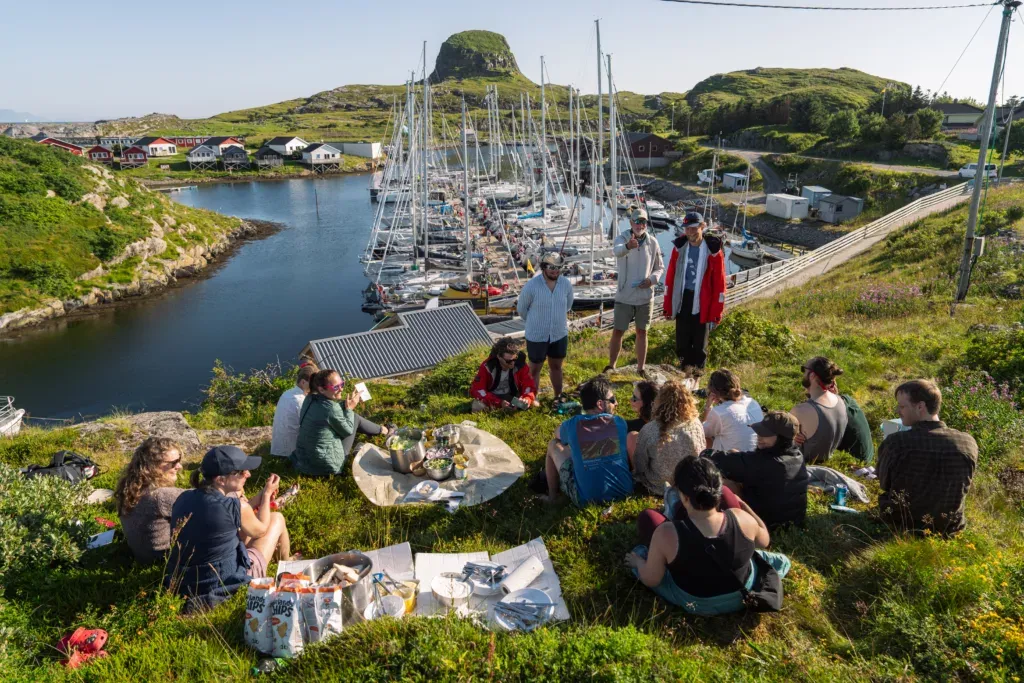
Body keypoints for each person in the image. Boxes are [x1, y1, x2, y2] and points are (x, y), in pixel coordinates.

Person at [625, 457, 791, 616]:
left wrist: (638, 562)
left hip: (699, 602)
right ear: (718, 490)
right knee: (766, 558)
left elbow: (652, 579)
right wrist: (743, 505)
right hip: (742, 593)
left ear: (684, 496)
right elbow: (764, 541)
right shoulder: (741, 518)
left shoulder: (666, 533)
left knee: (642, 550)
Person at [165, 446, 290, 610]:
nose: (248, 474)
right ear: (220, 480)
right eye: (241, 472)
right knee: (277, 519)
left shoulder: (183, 498)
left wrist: (256, 499)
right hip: (221, 582)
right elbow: (260, 530)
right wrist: (266, 496)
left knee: (242, 533)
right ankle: (288, 564)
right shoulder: (236, 506)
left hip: (185, 583)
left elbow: (229, 519)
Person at [877, 380, 978, 535]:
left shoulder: (897, 442)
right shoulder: (968, 442)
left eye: (902, 406)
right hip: (948, 527)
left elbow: (884, 483)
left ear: (920, 407)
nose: (898, 410)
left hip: (901, 522)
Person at [708, 411, 809, 530]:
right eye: (759, 431)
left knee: (724, 484)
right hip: (794, 520)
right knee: (734, 453)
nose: (759, 436)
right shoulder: (797, 454)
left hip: (767, 525)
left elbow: (717, 460)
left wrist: (703, 451)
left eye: (765, 433)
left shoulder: (763, 463)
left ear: (782, 438)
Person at [543, 376, 633, 506]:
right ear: (600, 404)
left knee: (553, 445)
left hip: (586, 500)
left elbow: (557, 434)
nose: (616, 403)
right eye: (613, 400)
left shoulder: (572, 425)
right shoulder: (619, 422)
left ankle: (553, 497)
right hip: (624, 492)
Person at [290, 369, 390, 476]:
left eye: (342, 384)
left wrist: (347, 405)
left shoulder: (309, 399)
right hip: (326, 466)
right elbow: (348, 431)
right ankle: (385, 431)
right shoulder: (331, 408)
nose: (341, 389)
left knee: (351, 417)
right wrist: (349, 409)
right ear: (321, 389)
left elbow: (328, 410)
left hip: (304, 462)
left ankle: (382, 430)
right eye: (336, 387)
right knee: (355, 418)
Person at [662, 212, 726, 374]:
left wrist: (716, 312)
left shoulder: (713, 251)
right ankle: (684, 370)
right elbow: (670, 278)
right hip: (683, 299)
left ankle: (696, 377)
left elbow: (720, 284)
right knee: (682, 344)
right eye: (687, 228)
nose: (689, 232)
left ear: (702, 227)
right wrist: (668, 306)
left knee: (699, 345)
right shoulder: (680, 248)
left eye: (693, 228)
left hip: (703, 302)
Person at [607, 208, 664, 378]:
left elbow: (660, 267)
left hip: (645, 297)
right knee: (618, 331)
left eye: (643, 222)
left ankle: (641, 368)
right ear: (631, 223)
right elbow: (616, 251)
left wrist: (652, 280)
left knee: (642, 332)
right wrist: (627, 246)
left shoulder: (653, 242)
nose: (640, 225)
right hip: (624, 296)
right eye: (637, 222)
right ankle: (611, 366)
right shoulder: (623, 238)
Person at [115, 437, 184, 564]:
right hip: (163, 560)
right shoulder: (161, 495)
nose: (179, 466)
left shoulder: (130, 487)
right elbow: (210, 503)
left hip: (142, 555)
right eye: (173, 463)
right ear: (153, 465)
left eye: (179, 460)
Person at [517, 251, 574, 403]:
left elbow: (568, 306)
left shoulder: (566, 284)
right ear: (543, 267)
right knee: (534, 369)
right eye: (551, 266)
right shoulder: (531, 286)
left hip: (559, 333)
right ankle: (532, 398)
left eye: (558, 267)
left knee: (557, 367)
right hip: (536, 334)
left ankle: (558, 396)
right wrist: (536, 322)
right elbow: (521, 309)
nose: (555, 270)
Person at [631, 381, 706, 495]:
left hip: (658, 487)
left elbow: (640, 465)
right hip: (689, 484)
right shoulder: (696, 423)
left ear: (658, 401)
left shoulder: (649, 430)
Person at [791, 357, 849, 464]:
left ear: (812, 376)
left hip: (804, 464)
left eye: (804, 370)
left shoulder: (801, 410)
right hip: (828, 457)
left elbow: (780, 438)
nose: (803, 374)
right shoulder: (840, 401)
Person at [469, 337, 538, 412]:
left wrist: (526, 398)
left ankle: (507, 409)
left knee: (534, 404)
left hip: (511, 397)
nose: (512, 363)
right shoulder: (488, 366)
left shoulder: (520, 364)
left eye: (515, 359)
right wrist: (499, 402)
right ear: (499, 356)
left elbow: (528, 384)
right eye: (508, 361)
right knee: (477, 407)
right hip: (492, 397)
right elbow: (478, 389)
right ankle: (500, 410)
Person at [702, 368, 763, 452]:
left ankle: (706, 460)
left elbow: (702, 432)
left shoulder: (719, 412)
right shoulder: (753, 403)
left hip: (732, 461)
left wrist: (708, 407)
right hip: (755, 456)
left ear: (713, 391)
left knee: (705, 437)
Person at [270, 363, 317, 457]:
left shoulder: (286, 393)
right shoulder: (301, 401)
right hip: (292, 453)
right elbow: (312, 426)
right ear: (303, 382)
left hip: (278, 448)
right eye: (313, 384)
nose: (315, 388)